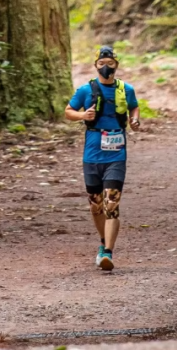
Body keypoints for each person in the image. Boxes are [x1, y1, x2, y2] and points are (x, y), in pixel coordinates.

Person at [64, 46, 141, 271]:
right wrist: (82, 115)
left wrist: (134, 121)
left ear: (116, 65)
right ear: (95, 65)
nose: (106, 67)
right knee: (96, 205)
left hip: (116, 154)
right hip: (92, 153)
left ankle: (108, 252)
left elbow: (134, 108)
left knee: (112, 203)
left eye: (110, 63)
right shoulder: (85, 90)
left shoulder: (126, 89)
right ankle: (102, 242)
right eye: (101, 63)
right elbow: (68, 111)